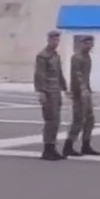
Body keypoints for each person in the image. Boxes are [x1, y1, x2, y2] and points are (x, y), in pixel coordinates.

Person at [63, 35, 100, 157]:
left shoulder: (87, 57)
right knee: (78, 120)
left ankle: (86, 145)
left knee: (90, 119)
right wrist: (83, 89)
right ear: (82, 43)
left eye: (91, 44)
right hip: (78, 92)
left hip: (86, 92)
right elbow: (78, 75)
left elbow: (86, 76)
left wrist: (88, 90)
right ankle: (68, 146)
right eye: (87, 43)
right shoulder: (77, 57)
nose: (90, 46)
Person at [33, 31, 68, 161]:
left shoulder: (56, 56)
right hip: (48, 92)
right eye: (54, 40)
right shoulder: (43, 56)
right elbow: (39, 74)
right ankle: (47, 150)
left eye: (58, 40)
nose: (56, 42)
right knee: (50, 121)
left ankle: (52, 147)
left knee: (56, 121)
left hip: (56, 92)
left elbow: (59, 73)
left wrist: (65, 88)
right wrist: (41, 91)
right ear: (48, 40)